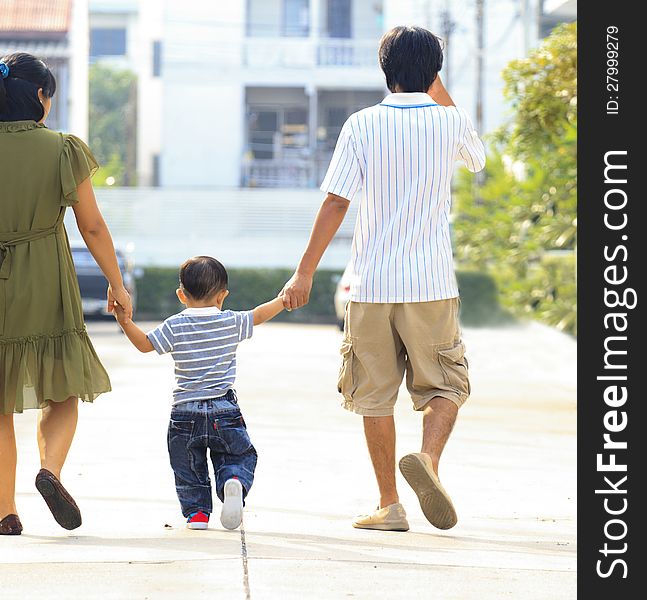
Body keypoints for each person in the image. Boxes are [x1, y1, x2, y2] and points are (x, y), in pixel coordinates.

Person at [280, 26, 486, 531]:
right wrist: (437, 89)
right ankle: (430, 462)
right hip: (431, 283)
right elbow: (478, 161)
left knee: (374, 395)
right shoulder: (450, 122)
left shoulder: (360, 124)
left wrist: (304, 272)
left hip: (370, 284)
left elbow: (335, 202)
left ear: (384, 70)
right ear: (434, 73)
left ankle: (390, 504)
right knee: (446, 385)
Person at [0, 52, 133, 535]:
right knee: (60, 387)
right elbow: (94, 226)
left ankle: (6, 513)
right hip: (45, 273)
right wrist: (117, 285)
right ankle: (51, 470)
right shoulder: (63, 149)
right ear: (40, 97)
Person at [114, 256, 284, 530]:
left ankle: (197, 515)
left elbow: (145, 345)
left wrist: (125, 321)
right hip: (224, 409)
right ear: (222, 296)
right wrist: (283, 299)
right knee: (238, 455)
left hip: (184, 413)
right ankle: (234, 481)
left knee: (188, 469)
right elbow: (259, 314)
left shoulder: (174, 326)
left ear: (181, 295)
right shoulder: (231, 322)